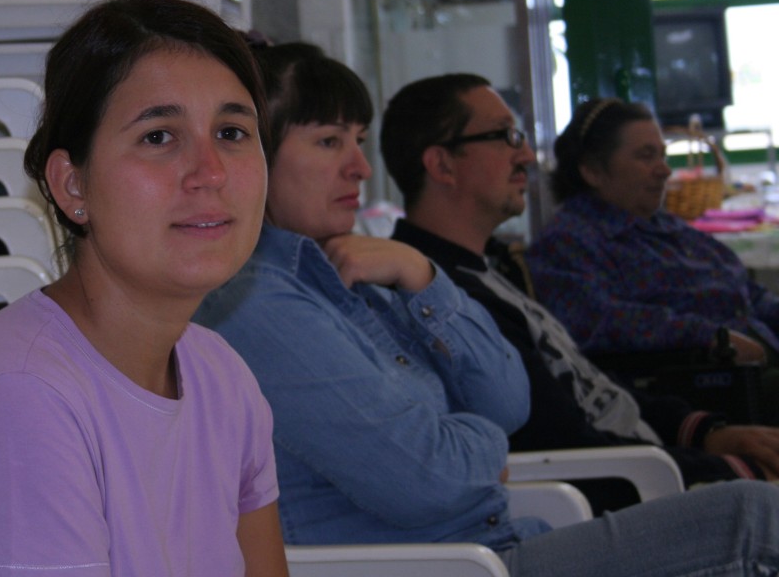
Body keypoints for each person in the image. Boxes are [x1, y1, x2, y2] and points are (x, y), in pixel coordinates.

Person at [195, 42, 779, 577]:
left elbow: (508, 399)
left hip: (501, 542)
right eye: (329, 142)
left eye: (359, 140)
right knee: (754, 522)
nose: (361, 168)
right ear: (255, 157)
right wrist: (481, 444)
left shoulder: (351, 268)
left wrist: (423, 277)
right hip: (459, 564)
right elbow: (430, 477)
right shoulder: (256, 304)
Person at [0, 0, 288, 577]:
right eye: (159, 136)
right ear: (73, 186)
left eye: (231, 132)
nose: (211, 172)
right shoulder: (21, 396)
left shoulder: (221, 378)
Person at [379, 73, 779, 512]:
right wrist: (728, 471)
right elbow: (567, 446)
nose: (526, 155)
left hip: (653, 459)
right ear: (442, 165)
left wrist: (705, 431)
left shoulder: (492, 268)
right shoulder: (439, 297)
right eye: (505, 136)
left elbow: (591, 384)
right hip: (633, 491)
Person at [525, 97, 779, 366]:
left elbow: (747, 292)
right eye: (646, 156)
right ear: (592, 171)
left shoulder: (666, 226)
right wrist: (710, 337)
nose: (665, 170)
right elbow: (599, 321)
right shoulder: (567, 243)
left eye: (662, 155)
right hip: (709, 376)